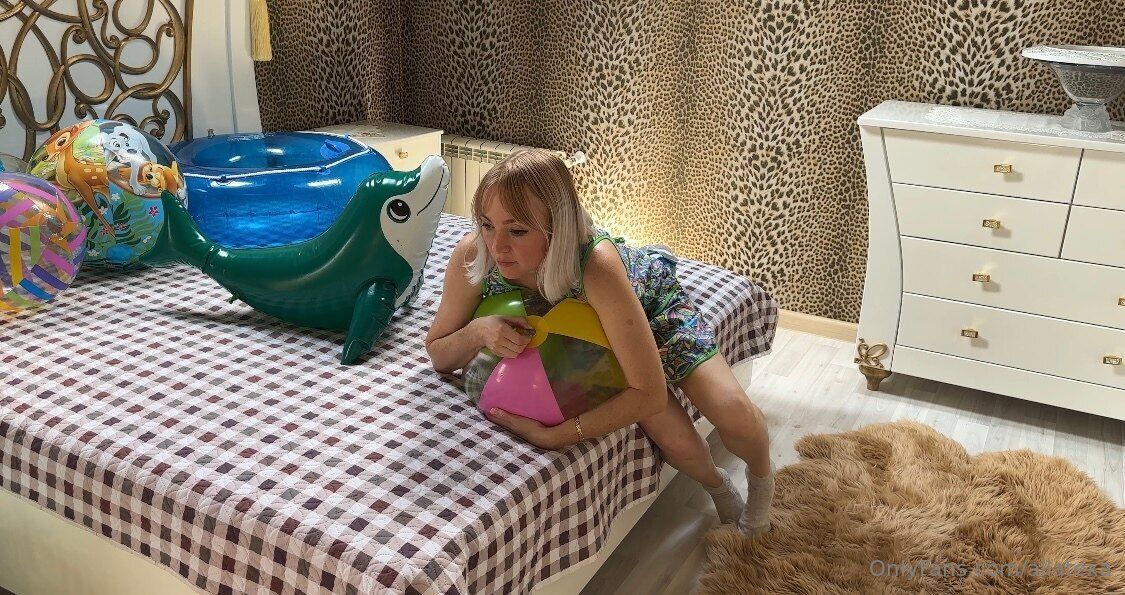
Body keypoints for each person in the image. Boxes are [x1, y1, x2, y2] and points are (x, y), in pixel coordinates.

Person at [424, 149, 774, 536]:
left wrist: (556, 436)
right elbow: (439, 353)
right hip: (584, 334)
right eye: (487, 225)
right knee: (676, 439)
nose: (497, 246)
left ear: (556, 227)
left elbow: (650, 394)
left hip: (644, 303)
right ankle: (720, 487)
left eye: (517, 230)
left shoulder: (596, 265)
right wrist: (479, 331)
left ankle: (762, 480)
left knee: (733, 411)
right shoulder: (473, 255)